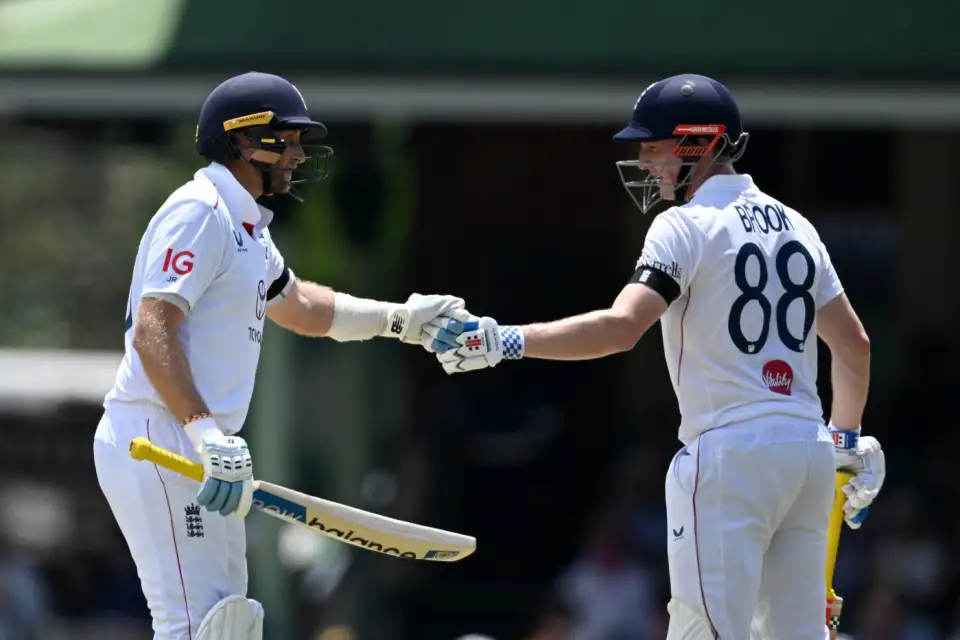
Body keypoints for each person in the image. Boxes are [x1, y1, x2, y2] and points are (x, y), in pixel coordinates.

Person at [432, 74, 886, 640]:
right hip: (808, 453)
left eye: (653, 146)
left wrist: (506, 340)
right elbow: (854, 346)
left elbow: (622, 328)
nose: (644, 162)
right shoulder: (798, 226)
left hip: (730, 455)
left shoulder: (682, 225)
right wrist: (844, 443)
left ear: (698, 143)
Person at [92, 71, 465, 640]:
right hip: (161, 437)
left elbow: (305, 309)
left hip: (201, 447)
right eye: (286, 139)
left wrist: (401, 320)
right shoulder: (201, 210)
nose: (297, 154)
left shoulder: (247, 228)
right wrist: (204, 434)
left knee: (228, 625)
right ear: (242, 140)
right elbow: (152, 330)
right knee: (193, 626)